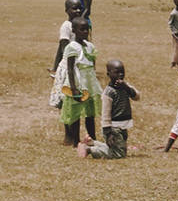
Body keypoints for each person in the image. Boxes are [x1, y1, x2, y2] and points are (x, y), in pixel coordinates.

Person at [56, 20, 99, 152]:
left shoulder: (90, 46)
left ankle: (93, 138)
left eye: (87, 29)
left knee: (90, 114)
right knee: (75, 113)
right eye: (82, 29)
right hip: (77, 83)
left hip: (90, 84)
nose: (85, 32)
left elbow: (92, 65)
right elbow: (70, 69)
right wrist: (73, 87)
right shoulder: (72, 47)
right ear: (74, 30)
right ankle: (75, 140)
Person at [96, 59, 138, 158]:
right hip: (113, 128)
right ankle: (90, 150)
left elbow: (136, 96)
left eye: (122, 72)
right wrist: (108, 133)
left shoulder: (125, 86)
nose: (120, 75)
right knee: (119, 154)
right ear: (108, 74)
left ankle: (92, 143)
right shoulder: (109, 92)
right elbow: (105, 115)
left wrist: (126, 87)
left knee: (119, 149)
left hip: (123, 125)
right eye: (116, 72)